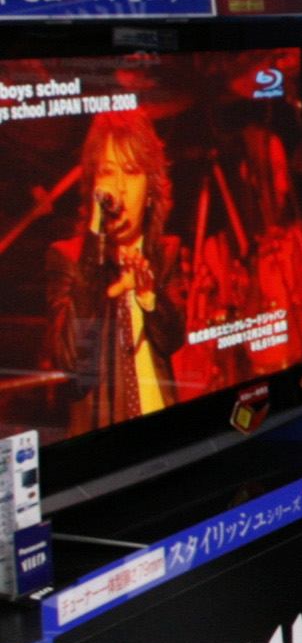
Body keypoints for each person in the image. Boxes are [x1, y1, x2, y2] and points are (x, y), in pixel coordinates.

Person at [46, 112, 185, 430]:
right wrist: (95, 249)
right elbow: (73, 361)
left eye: (132, 172)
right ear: (93, 183)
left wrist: (150, 297)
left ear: (150, 188)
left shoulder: (166, 253)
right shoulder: (65, 258)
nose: (119, 190)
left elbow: (173, 339)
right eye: (108, 172)